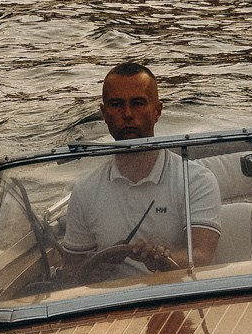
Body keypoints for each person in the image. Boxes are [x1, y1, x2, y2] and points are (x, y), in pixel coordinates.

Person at [55, 62, 220, 277]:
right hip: (107, 305)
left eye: (138, 103)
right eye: (116, 104)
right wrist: (92, 267)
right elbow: (72, 270)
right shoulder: (85, 190)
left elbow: (200, 257)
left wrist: (162, 260)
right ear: (104, 114)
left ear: (157, 111)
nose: (127, 114)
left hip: (179, 300)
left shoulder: (196, 180)